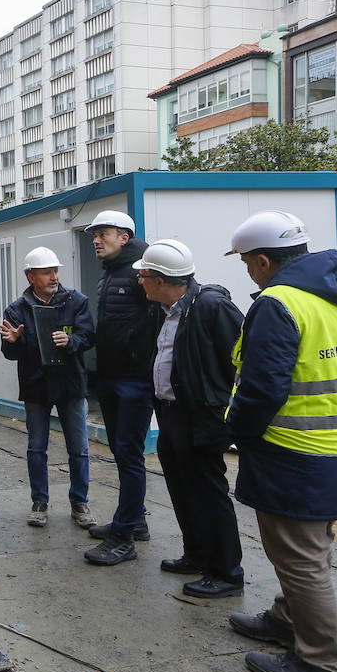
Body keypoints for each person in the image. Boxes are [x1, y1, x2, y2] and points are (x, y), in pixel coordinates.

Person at [224, 210, 337, 672]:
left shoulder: (279, 303)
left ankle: (321, 664)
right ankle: (285, 619)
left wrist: (236, 434)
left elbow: (263, 387)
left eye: (248, 263)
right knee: (310, 550)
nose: (248, 271)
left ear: (265, 261)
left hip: (295, 451)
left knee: (303, 562)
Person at [133, 239, 245, 598]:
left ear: (163, 280)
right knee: (182, 490)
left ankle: (226, 572)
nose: (140, 281)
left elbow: (242, 360)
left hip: (202, 418)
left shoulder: (212, 307)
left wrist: (221, 409)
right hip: (170, 414)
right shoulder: (163, 310)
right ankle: (196, 555)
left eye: (144, 275)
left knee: (209, 493)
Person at [0, 247, 96, 529]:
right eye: (47, 272)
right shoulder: (16, 310)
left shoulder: (76, 301)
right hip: (36, 386)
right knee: (36, 448)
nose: (54, 277)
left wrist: (71, 342)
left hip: (70, 384)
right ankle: (39, 502)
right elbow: (9, 353)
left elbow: (88, 335)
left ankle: (80, 503)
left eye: (56, 271)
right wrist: (13, 341)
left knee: (79, 448)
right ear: (31, 276)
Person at [82, 210, 156, 566]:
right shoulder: (110, 275)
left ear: (124, 237)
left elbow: (157, 324)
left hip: (134, 379)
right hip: (112, 378)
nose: (96, 239)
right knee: (121, 452)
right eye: (94, 234)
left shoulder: (143, 272)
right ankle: (135, 518)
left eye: (103, 233)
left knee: (129, 455)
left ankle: (123, 536)